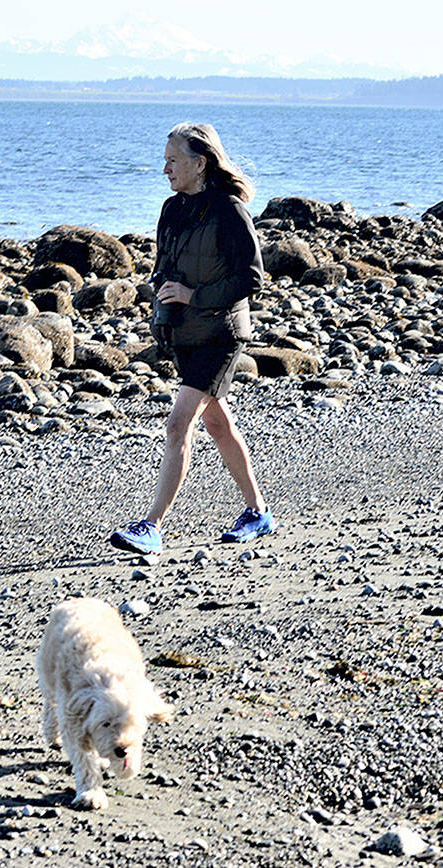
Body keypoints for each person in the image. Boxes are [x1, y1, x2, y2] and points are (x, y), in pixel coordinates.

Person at [109, 122, 275, 557]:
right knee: (218, 424)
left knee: (178, 422)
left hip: (221, 332)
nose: (165, 169)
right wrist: (163, 305)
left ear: (199, 163)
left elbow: (251, 278)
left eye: (173, 160)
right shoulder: (172, 208)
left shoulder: (230, 211)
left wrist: (194, 296)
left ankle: (151, 525)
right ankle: (257, 512)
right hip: (185, 331)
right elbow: (164, 265)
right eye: (164, 160)